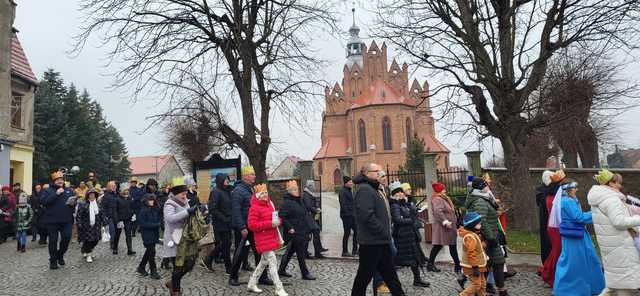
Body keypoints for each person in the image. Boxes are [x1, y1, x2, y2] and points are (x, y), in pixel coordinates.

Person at [350, 163, 405, 296]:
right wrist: (382, 230)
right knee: (364, 277)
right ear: (367, 173)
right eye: (377, 171)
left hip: (381, 241)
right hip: (371, 243)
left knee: (390, 275)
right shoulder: (364, 189)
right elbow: (366, 216)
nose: (380, 174)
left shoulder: (375, 188)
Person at [588, 170, 640, 296]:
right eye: (618, 183)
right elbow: (619, 221)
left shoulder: (600, 198)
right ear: (610, 183)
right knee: (624, 287)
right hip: (621, 246)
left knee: (613, 285)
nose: (620, 186)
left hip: (612, 246)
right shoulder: (611, 199)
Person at [550, 179, 605, 295]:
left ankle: (587, 287)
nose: (576, 189)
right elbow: (579, 217)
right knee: (574, 262)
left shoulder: (569, 200)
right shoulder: (567, 201)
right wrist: (595, 212)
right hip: (574, 236)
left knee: (583, 259)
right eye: (574, 188)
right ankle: (570, 289)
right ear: (568, 189)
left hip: (576, 234)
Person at [465, 177, 510, 296]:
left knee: (492, 263)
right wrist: (491, 237)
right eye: (485, 185)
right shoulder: (480, 201)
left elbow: (486, 216)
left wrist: (495, 214)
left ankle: (498, 290)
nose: (488, 187)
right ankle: (481, 290)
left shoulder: (483, 198)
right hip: (486, 239)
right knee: (486, 265)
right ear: (480, 188)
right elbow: (481, 221)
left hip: (490, 237)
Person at [229, 166, 272, 286]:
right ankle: (233, 277)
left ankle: (262, 277)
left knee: (259, 251)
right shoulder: (238, 191)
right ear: (245, 176)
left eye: (254, 174)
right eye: (252, 174)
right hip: (243, 228)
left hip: (253, 226)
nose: (254, 176)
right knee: (239, 252)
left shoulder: (251, 189)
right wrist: (242, 227)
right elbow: (236, 210)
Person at [246, 184, 288, 296]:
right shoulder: (254, 208)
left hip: (270, 237)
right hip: (262, 239)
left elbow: (274, 217)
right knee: (272, 261)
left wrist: (278, 221)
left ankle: (251, 283)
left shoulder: (269, 205)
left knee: (263, 262)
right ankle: (279, 288)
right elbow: (252, 225)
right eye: (262, 193)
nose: (265, 195)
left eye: (266, 193)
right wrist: (270, 224)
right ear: (258, 196)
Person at [164, 182, 205, 296]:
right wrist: (187, 211)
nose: (185, 196)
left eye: (186, 194)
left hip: (186, 238)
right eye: (183, 194)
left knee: (190, 263)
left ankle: (172, 282)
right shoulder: (169, 204)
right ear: (176, 194)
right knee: (178, 266)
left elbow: (189, 217)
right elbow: (170, 218)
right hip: (174, 239)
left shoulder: (185, 202)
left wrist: (198, 211)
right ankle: (176, 291)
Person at [389, 181, 430, 288]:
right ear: (395, 194)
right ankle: (390, 281)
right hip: (402, 238)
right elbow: (398, 220)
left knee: (414, 260)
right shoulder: (394, 205)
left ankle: (417, 280)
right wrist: (410, 220)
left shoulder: (403, 203)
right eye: (398, 193)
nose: (401, 194)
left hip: (409, 236)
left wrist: (408, 203)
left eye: (402, 192)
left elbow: (413, 213)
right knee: (398, 261)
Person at [278, 180, 316, 280]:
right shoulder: (286, 203)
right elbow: (282, 217)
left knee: (290, 251)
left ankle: (281, 270)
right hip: (294, 232)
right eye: (294, 189)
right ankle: (305, 273)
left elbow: (304, 214)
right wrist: (290, 227)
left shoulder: (299, 200)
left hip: (302, 230)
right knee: (300, 253)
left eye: (297, 189)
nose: (297, 191)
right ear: (289, 191)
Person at [41, 171, 76, 270]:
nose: (60, 181)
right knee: (53, 241)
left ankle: (60, 255)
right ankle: (53, 260)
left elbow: (73, 204)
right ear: (54, 181)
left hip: (66, 220)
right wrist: (56, 194)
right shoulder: (48, 190)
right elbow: (44, 202)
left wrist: (73, 204)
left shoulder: (69, 190)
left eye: (61, 179)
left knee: (67, 238)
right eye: (58, 180)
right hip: (52, 221)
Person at [427, 182, 461, 275]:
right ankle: (457, 266)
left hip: (448, 227)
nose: (445, 190)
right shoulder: (437, 199)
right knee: (441, 245)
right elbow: (438, 212)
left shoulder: (442, 198)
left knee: (446, 245)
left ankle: (457, 265)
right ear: (439, 190)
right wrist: (445, 222)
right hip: (444, 227)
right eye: (443, 189)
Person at [204, 173, 233, 273]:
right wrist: (224, 218)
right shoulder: (216, 192)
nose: (228, 182)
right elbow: (212, 208)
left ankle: (209, 259)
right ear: (220, 181)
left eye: (228, 180)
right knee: (225, 243)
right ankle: (228, 267)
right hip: (220, 223)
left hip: (228, 222)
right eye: (226, 180)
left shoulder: (227, 191)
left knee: (226, 244)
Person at [541, 170, 566, 287]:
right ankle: (547, 272)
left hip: (554, 226)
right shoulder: (554, 196)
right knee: (557, 251)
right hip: (556, 227)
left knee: (557, 251)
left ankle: (548, 272)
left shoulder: (551, 194)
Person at [458, 211, 488, 296]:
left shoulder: (473, 234)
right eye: (479, 224)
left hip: (479, 265)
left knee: (482, 284)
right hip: (473, 266)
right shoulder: (469, 237)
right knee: (477, 284)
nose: (480, 225)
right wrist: (475, 267)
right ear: (472, 225)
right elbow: (471, 253)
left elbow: (477, 248)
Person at [138, 193, 162, 280]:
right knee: (152, 252)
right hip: (147, 234)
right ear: (146, 201)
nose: (151, 202)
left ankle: (141, 267)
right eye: (149, 200)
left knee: (149, 252)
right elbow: (143, 223)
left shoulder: (155, 209)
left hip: (154, 234)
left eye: (152, 200)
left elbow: (159, 217)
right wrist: (155, 225)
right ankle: (153, 271)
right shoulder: (143, 211)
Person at [76, 189, 105, 263]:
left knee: (95, 240)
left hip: (97, 225)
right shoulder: (83, 204)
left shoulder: (98, 204)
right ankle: (89, 254)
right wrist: (79, 224)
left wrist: (104, 221)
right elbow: (79, 215)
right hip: (87, 225)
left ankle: (84, 249)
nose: (92, 196)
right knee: (88, 240)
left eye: (94, 194)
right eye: (90, 194)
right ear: (87, 195)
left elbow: (101, 213)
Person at [302, 180, 328, 259]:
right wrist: (316, 210)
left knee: (313, 234)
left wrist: (317, 208)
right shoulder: (306, 195)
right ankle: (314, 253)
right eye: (313, 186)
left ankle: (313, 251)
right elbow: (308, 206)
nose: (314, 187)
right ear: (310, 186)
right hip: (308, 218)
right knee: (312, 234)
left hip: (311, 217)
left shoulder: (309, 194)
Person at [535, 170, 555, 265]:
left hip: (547, 220)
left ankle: (547, 263)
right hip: (548, 221)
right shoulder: (547, 192)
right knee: (548, 243)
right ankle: (548, 264)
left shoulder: (541, 190)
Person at [112, 187, 136, 255]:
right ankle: (115, 248)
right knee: (117, 235)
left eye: (127, 190)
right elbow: (115, 211)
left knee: (128, 235)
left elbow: (132, 207)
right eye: (125, 190)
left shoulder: (129, 198)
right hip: (120, 220)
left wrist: (133, 214)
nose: (126, 192)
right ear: (121, 192)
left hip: (128, 219)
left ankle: (130, 250)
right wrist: (117, 221)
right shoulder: (116, 199)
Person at [339, 176, 357, 257]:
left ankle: (354, 250)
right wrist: (348, 213)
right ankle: (344, 251)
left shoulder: (349, 190)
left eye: (351, 182)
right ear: (346, 183)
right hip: (346, 216)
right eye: (350, 182)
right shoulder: (342, 191)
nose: (351, 183)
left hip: (352, 215)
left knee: (356, 231)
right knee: (347, 233)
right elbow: (343, 204)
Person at [101, 181, 119, 252]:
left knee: (117, 231)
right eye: (112, 186)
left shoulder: (117, 194)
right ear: (108, 187)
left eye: (115, 186)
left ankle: (115, 243)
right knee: (113, 232)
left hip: (117, 216)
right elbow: (103, 207)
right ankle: (113, 244)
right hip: (110, 216)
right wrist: (105, 217)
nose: (114, 187)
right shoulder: (106, 196)